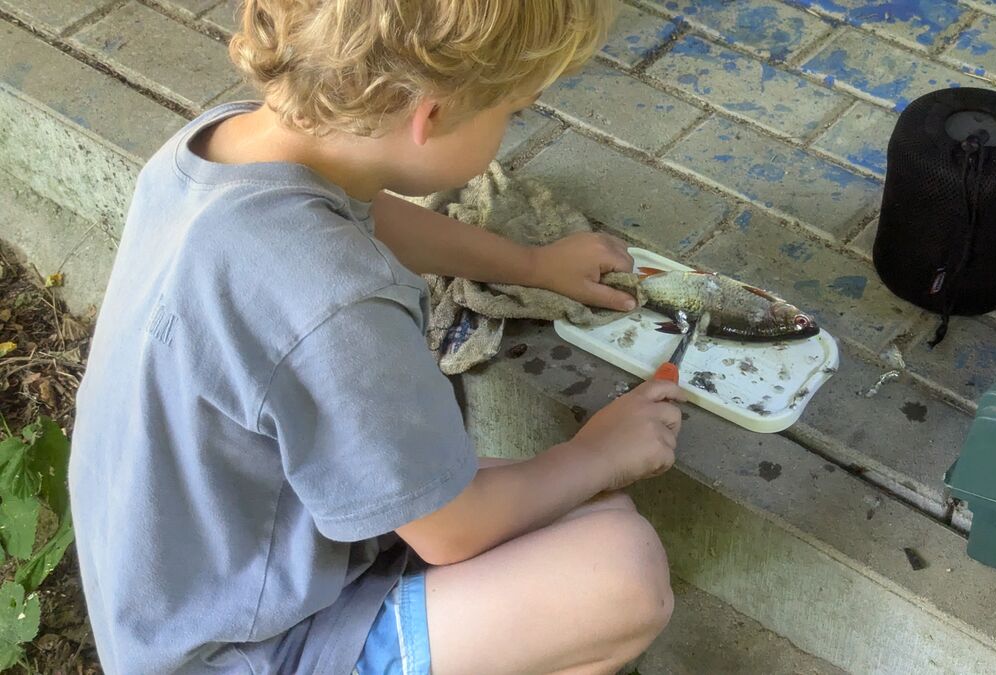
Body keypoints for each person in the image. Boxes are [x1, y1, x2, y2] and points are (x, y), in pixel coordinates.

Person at [68, 1, 685, 673]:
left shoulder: (222, 146)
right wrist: (598, 452)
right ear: (433, 116)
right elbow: (453, 529)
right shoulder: (332, 296)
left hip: (201, 595)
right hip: (244, 650)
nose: (512, 127)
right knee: (623, 573)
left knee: (592, 511)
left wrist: (532, 265)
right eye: (514, 111)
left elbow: (369, 217)